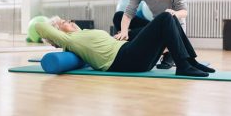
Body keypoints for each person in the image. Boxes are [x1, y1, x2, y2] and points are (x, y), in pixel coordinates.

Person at [35, 12, 215, 77]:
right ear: (59, 33)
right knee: (165, 18)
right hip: (125, 59)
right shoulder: (70, 40)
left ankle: (190, 61)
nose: (70, 21)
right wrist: (57, 30)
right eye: (65, 22)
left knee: (171, 18)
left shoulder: (82, 34)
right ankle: (183, 65)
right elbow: (39, 25)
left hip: (128, 52)